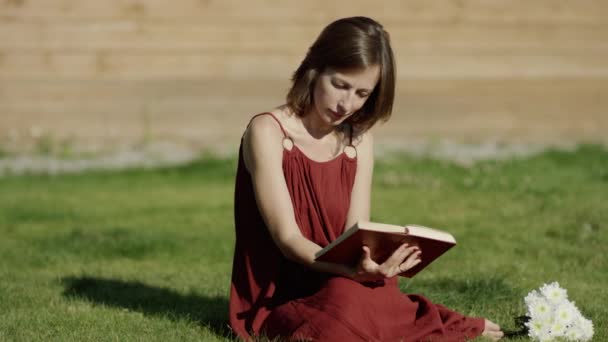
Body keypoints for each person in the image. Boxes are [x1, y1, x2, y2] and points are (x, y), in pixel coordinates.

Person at [229, 16, 504, 341]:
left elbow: (354, 232)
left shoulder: (358, 139)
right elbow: (288, 240)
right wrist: (348, 273)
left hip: (340, 279)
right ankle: (411, 318)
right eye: (340, 85)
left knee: (364, 295)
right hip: (280, 294)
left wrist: (370, 263)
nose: (347, 104)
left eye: (362, 93)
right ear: (315, 68)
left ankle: (390, 311)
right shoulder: (266, 131)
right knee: (345, 310)